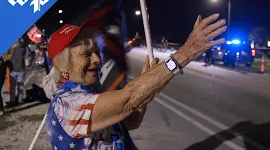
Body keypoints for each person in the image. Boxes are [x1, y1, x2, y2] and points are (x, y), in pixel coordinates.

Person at [43, 12, 226, 149]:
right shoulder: (66, 103)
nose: (97, 60)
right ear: (62, 64)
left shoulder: (89, 93)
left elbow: (131, 121)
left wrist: (150, 84)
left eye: (98, 52)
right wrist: (184, 55)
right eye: (86, 54)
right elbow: (128, 100)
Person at [3, 39, 26, 106]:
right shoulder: (23, 47)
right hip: (21, 69)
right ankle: (20, 101)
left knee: (12, 87)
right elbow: (26, 55)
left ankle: (12, 101)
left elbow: (7, 57)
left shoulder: (10, 48)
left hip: (13, 70)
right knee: (20, 87)